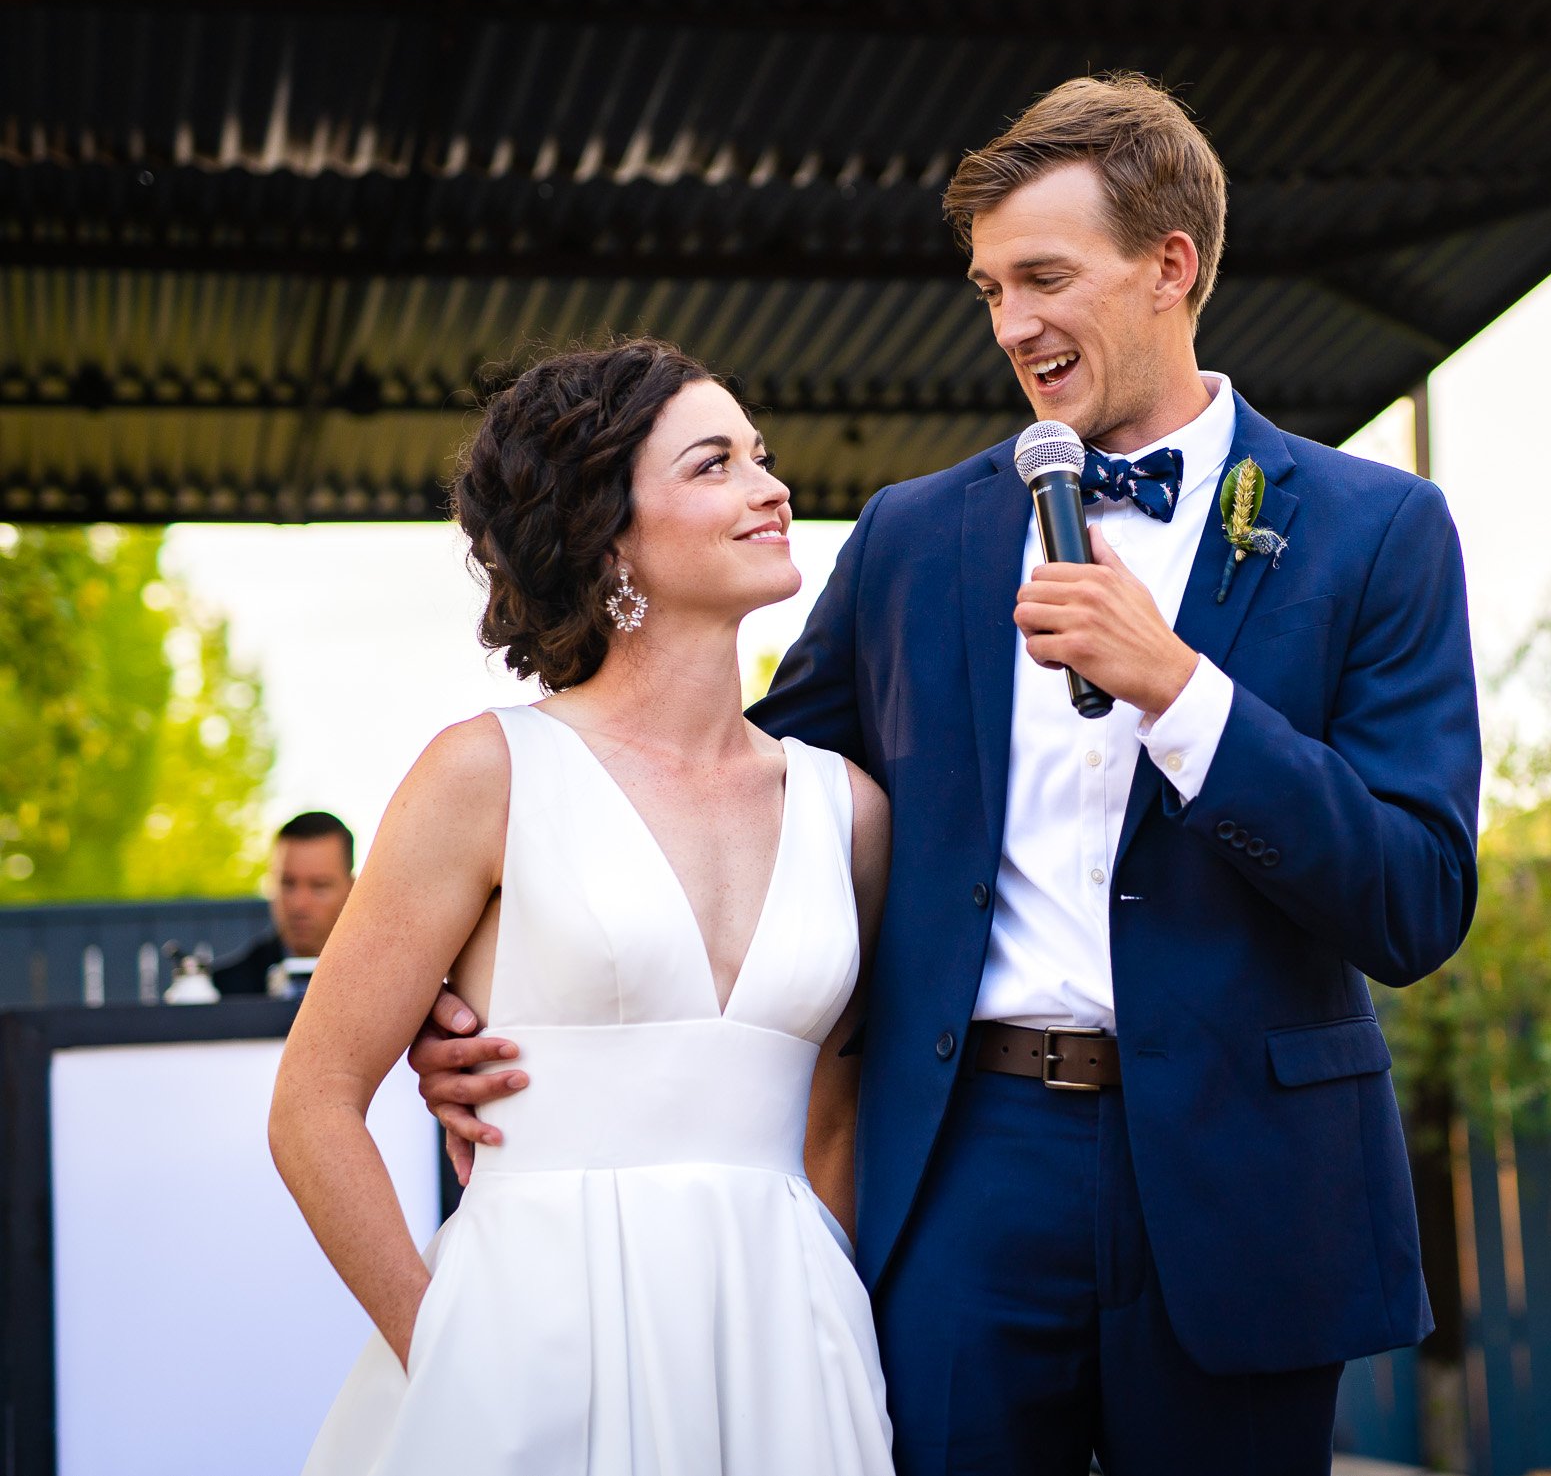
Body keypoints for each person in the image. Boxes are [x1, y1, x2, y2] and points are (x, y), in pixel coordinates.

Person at [414, 75, 1480, 1475]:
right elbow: (730, 793)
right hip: (969, 1163)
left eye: (1044, 276)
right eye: (989, 290)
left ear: (1172, 267)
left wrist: (1182, 691)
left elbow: (1414, 899)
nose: (1012, 324)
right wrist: (496, 979)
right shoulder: (916, 537)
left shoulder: (1379, 528)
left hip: (1247, 1183)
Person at [269, 340, 894, 1473]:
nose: (771, 487)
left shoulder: (845, 809)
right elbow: (311, 1106)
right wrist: (445, 1347)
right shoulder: (485, 776)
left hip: (788, 1354)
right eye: (715, 465)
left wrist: (822, 1315)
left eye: (762, 456)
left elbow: (836, 1123)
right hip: (529, 1351)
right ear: (610, 534)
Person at [210, 811, 354, 996]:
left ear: (352, 889)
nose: (299, 904)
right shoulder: (223, 992)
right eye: (287, 883)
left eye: (319, 886)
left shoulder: (382, 984)